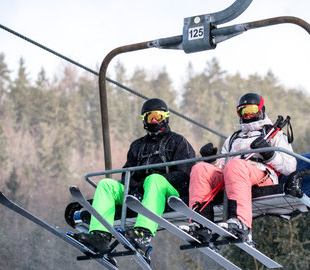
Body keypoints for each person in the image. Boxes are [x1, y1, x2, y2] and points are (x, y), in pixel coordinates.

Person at [72, 98, 195, 256]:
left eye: (158, 116)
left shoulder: (178, 142)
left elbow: (184, 173)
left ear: (166, 117)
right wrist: (134, 188)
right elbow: (127, 173)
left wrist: (149, 182)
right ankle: (100, 235)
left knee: (154, 179)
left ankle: (143, 232)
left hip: (169, 192)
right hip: (141, 192)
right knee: (106, 184)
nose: (155, 121)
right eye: (150, 117)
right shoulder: (137, 146)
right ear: (144, 120)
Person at [185, 93, 296, 243]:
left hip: (263, 176)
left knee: (235, 165)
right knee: (200, 168)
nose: (248, 115)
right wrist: (211, 161)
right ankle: (201, 224)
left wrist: (269, 154)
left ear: (261, 110)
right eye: (244, 111)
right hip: (234, 174)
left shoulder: (273, 134)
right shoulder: (233, 138)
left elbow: (290, 167)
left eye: (252, 110)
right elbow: (223, 167)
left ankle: (240, 223)